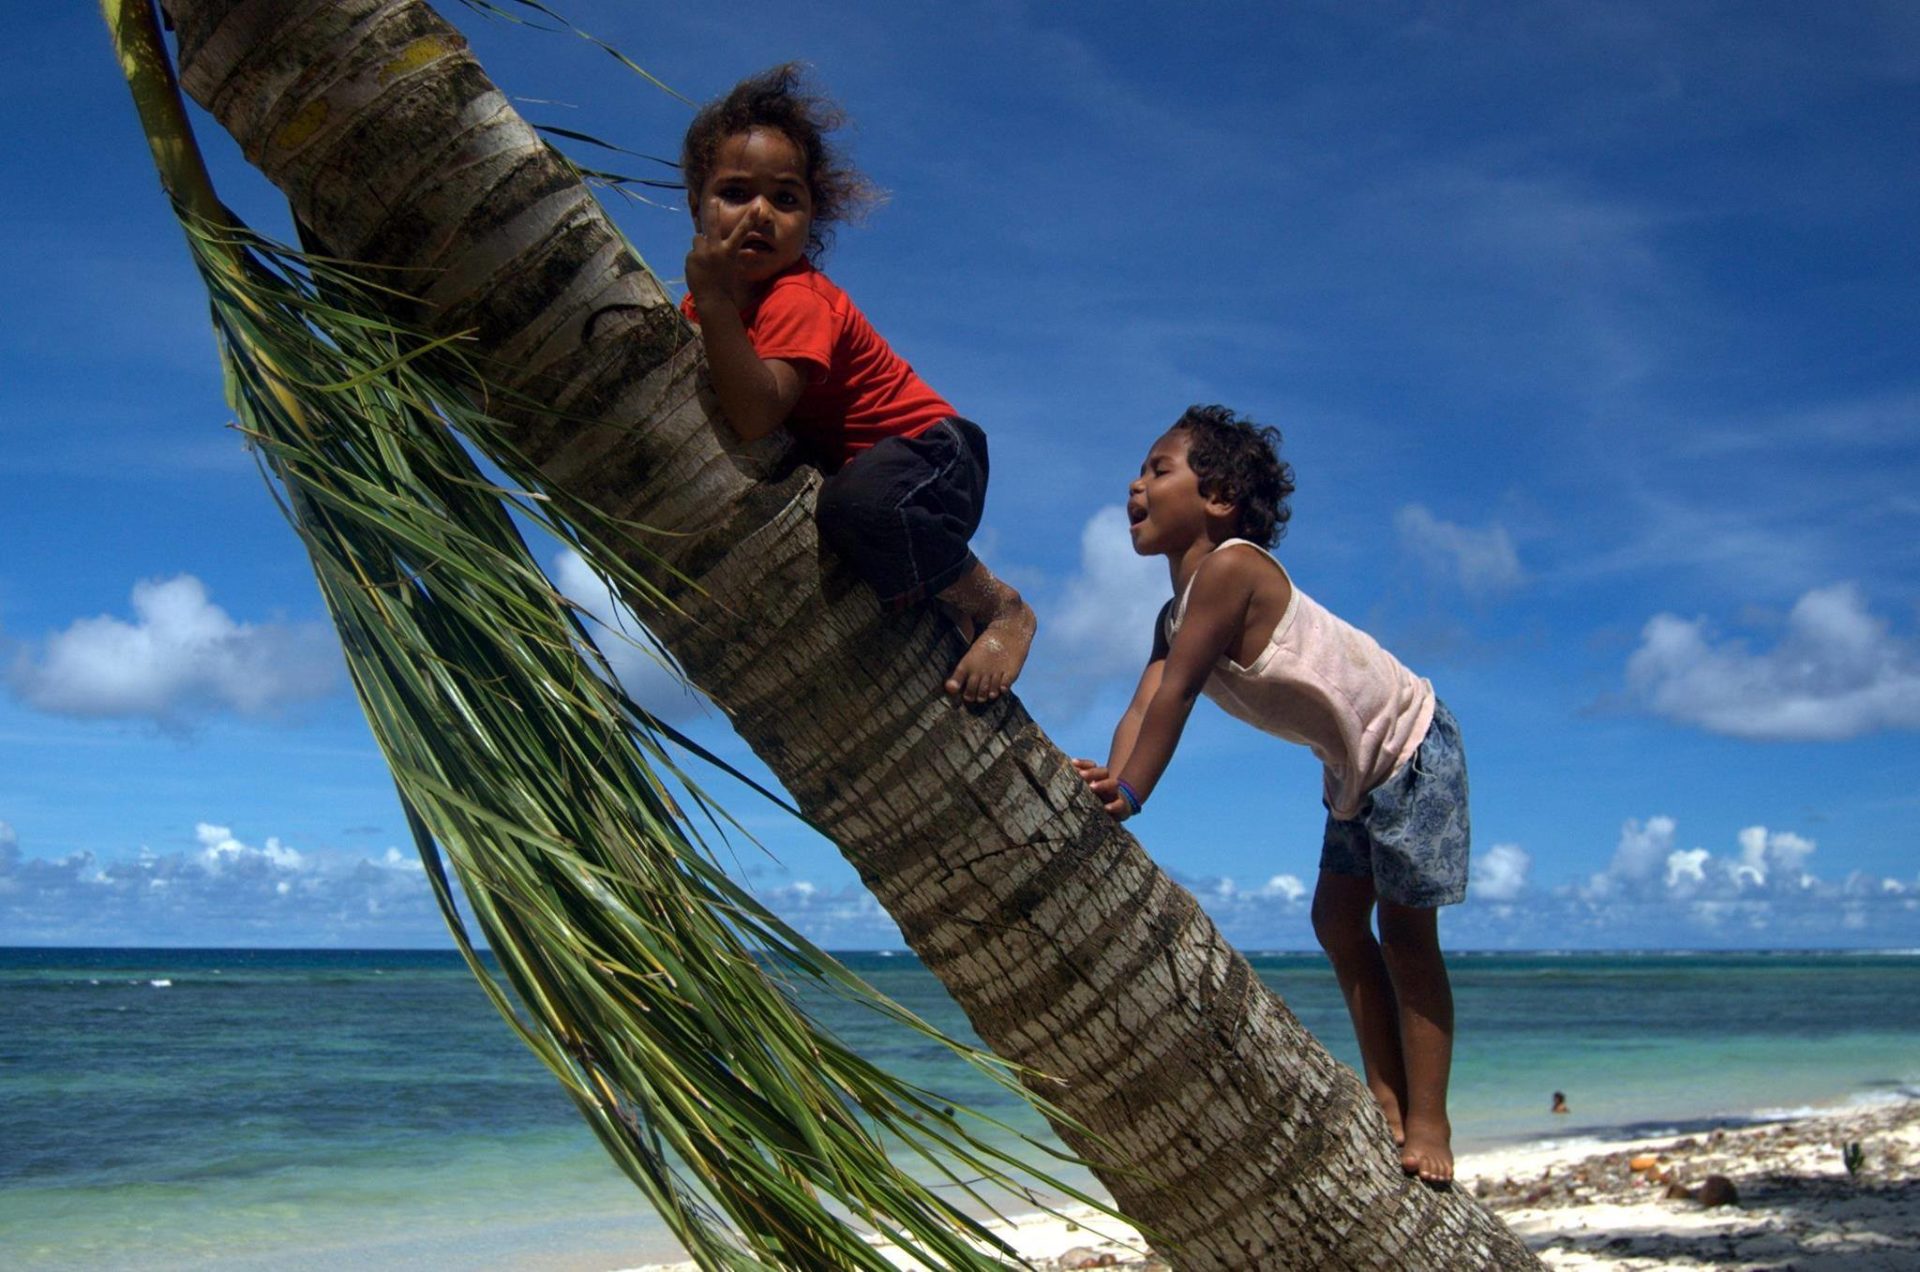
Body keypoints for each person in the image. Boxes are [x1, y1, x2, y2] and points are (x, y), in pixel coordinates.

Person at [1073, 405, 1471, 1184]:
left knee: (1405, 931)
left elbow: (1181, 694)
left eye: (1159, 469)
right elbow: (1144, 700)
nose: (1136, 483)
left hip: (1411, 743)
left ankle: (1430, 1119)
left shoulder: (1233, 569)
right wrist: (1102, 785)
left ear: (1217, 496)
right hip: (1352, 766)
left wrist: (1132, 792)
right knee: (1334, 919)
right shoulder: (1173, 613)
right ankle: (1386, 1099)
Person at [678, 64, 1034, 703]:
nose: (760, 212)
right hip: (880, 470)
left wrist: (711, 300)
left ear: (812, 221)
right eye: (735, 192)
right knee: (847, 515)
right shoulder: (711, 312)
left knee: (853, 506)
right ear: (695, 205)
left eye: (786, 199)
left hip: (936, 453)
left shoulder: (797, 299)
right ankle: (948, 607)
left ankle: (1003, 607)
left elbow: (756, 415)